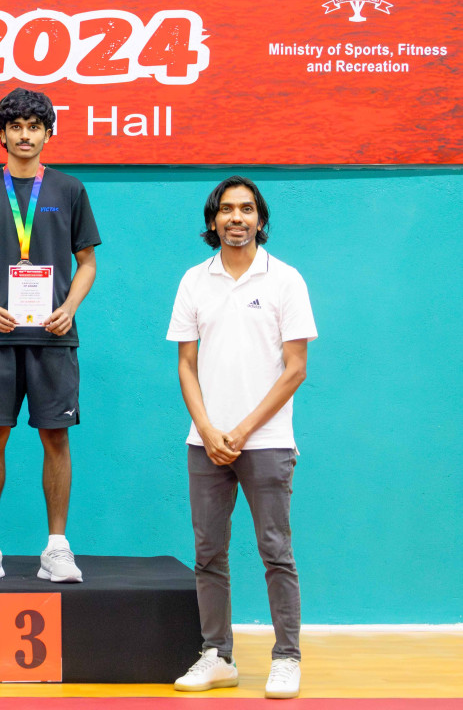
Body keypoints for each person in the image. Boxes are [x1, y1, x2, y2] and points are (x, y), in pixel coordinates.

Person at [0, 88, 99, 583]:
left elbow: (88, 264)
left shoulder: (70, 190)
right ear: (1, 134)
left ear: (47, 133)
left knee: (56, 436)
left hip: (54, 335)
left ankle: (57, 549)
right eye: (16, 127)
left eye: (35, 126)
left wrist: (69, 308)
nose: (25, 135)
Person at [169, 176, 314, 700]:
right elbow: (186, 365)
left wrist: (242, 430)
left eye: (246, 209)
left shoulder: (286, 280)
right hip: (204, 443)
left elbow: (295, 369)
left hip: (268, 441)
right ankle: (217, 655)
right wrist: (208, 430)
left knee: (276, 551)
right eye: (227, 209)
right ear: (213, 221)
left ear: (260, 219)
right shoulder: (193, 281)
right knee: (209, 553)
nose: (237, 218)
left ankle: (286, 658)